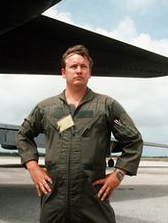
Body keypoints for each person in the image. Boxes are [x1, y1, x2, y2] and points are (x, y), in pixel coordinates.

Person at [17, 45, 143, 223]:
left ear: (90, 73)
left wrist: (119, 174)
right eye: (73, 66)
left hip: (93, 201)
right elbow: (23, 136)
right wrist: (33, 167)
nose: (79, 71)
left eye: (84, 67)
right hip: (54, 201)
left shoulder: (106, 106)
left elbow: (134, 140)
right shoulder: (46, 108)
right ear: (63, 72)